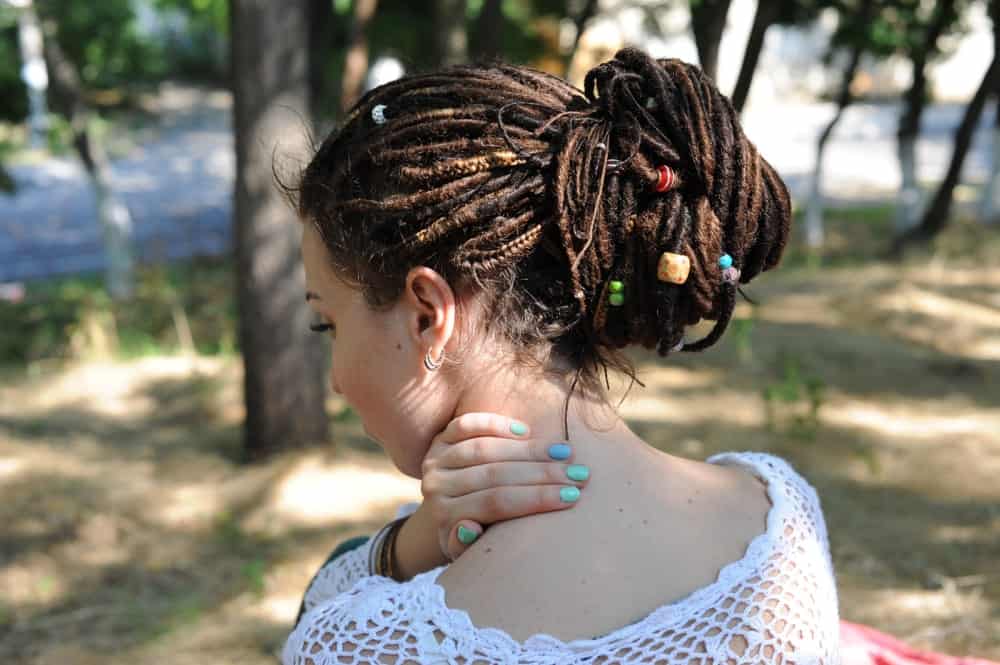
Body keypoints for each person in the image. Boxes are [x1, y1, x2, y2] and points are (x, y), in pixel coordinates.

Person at [282, 47, 839, 663]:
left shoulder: (369, 645)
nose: (335, 381)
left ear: (426, 315)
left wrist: (391, 555)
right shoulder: (781, 520)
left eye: (326, 322)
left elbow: (320, 619)